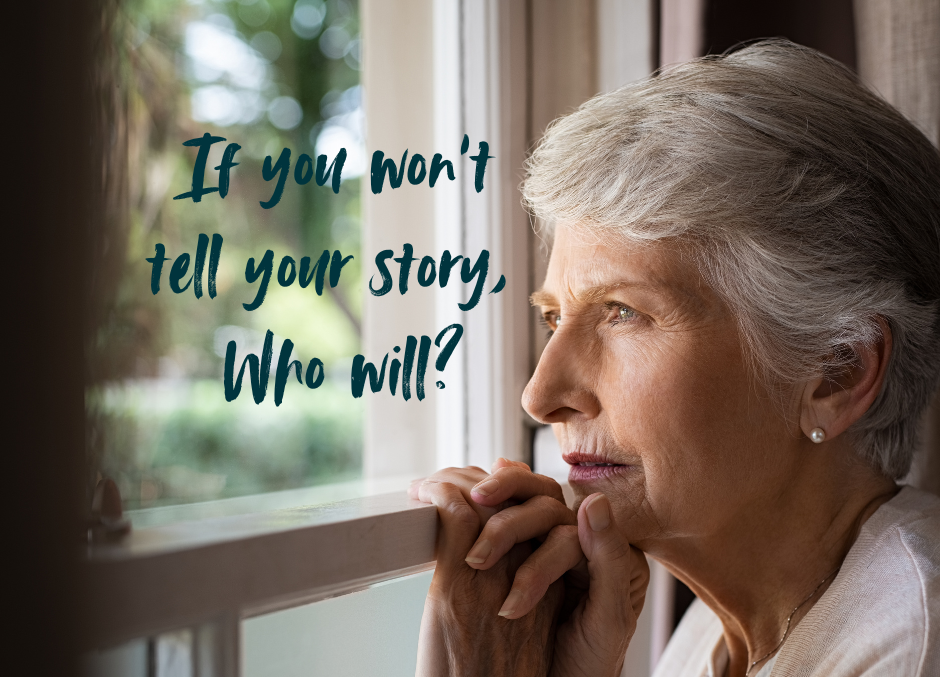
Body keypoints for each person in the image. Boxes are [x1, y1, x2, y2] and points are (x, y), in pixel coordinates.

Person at [408, 40, 940, 677]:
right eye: (553, 318)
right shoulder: (723, 627)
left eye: (623, 312)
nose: (540, 396)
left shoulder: (910, 642)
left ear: (837, 370)